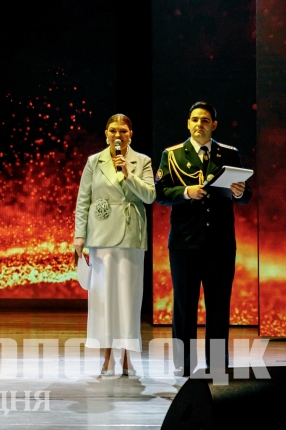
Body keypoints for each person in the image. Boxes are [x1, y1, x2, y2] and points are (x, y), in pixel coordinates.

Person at [155, 101, 251, 376]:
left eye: (205, 120)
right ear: (188, 124)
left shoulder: (229, 154)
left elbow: (245, 196)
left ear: (214, 125)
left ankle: (217, 366)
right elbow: (160, 193)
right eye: (195, 120)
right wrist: (186, 192)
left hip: (220, 244)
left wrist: (240, 192)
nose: (200, 124)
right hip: (185, 243)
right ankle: (184, 366)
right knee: (184, 307)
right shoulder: (172, 155)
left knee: (219, 308)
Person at [73, 114, 155, 376]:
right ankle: (106, 356)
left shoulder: (142, 161)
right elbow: (83, 200)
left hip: (131, 234)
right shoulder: (94, 161)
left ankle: (128, 358)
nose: (117, 135)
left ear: (131, 134)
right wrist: (79, 235)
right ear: (106, 134)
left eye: (123, 131)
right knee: (104, 297)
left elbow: (150, 196)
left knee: (129, 298)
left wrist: (128, 174)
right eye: (113, 131)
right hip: (102, 234)